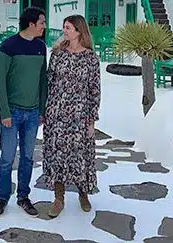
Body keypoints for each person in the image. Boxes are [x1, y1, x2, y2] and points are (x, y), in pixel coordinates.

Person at [0, 6, 48, 217]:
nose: (44, 26)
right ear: (31, 24)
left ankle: (23, 196)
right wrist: (4, 112)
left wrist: (42, 109)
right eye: (42, 22)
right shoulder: (8, 46)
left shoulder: (41, 47)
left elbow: (43, 80)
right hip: (11, 113)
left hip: (33, 114)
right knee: (7, 157)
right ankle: (2, 197)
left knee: (27, 158)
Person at [42, 14, 101, 218]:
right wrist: (45, 111)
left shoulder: (91, 58)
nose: (64, 31)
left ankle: (83, 194)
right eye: (64, 27)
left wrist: (92, 121)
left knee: (81, 157)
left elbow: (95, 90)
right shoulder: (57, 54)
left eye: (68, 27)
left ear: (78, 31)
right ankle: (59, 198)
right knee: (57, 156)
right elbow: (48, 83)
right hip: (57, 114)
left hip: (80, 115)